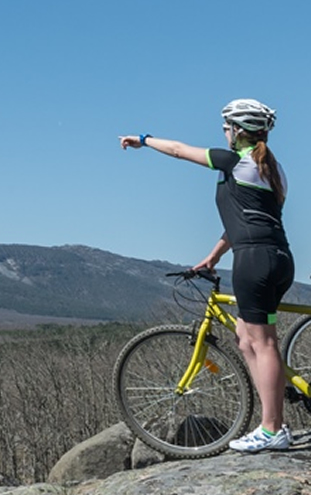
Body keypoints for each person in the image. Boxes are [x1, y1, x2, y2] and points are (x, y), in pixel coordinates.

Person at [121, 98, 294, 453]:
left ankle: (273, 428)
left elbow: (181, 151)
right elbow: (244, 221)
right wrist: (212, 257)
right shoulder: (274, 172)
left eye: (226, 127)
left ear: (237, 130)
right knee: (246, 339)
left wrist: (144, 139)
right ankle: (271, 421)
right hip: (278, 258)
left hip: (254, 261)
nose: (223, 133)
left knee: (263, 343)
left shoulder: (234, 161)